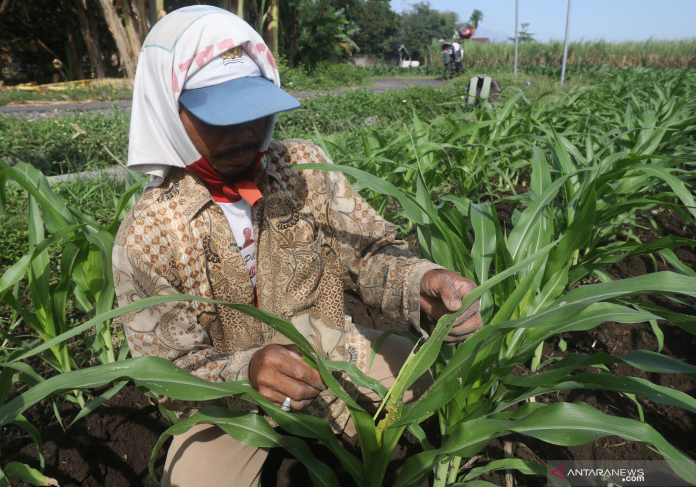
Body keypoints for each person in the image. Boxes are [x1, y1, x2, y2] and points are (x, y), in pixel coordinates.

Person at [112, 6, 481, 487]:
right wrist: (249, 374)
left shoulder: (304, 167)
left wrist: (421, 283)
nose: (244, 132)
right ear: (167, 109)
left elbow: (368, 252)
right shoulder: (148, 235)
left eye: (254, 109)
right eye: (217, 117)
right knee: (193, 480)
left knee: (427, 380)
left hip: (334, 356)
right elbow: (171, 372)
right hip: (229, 403)